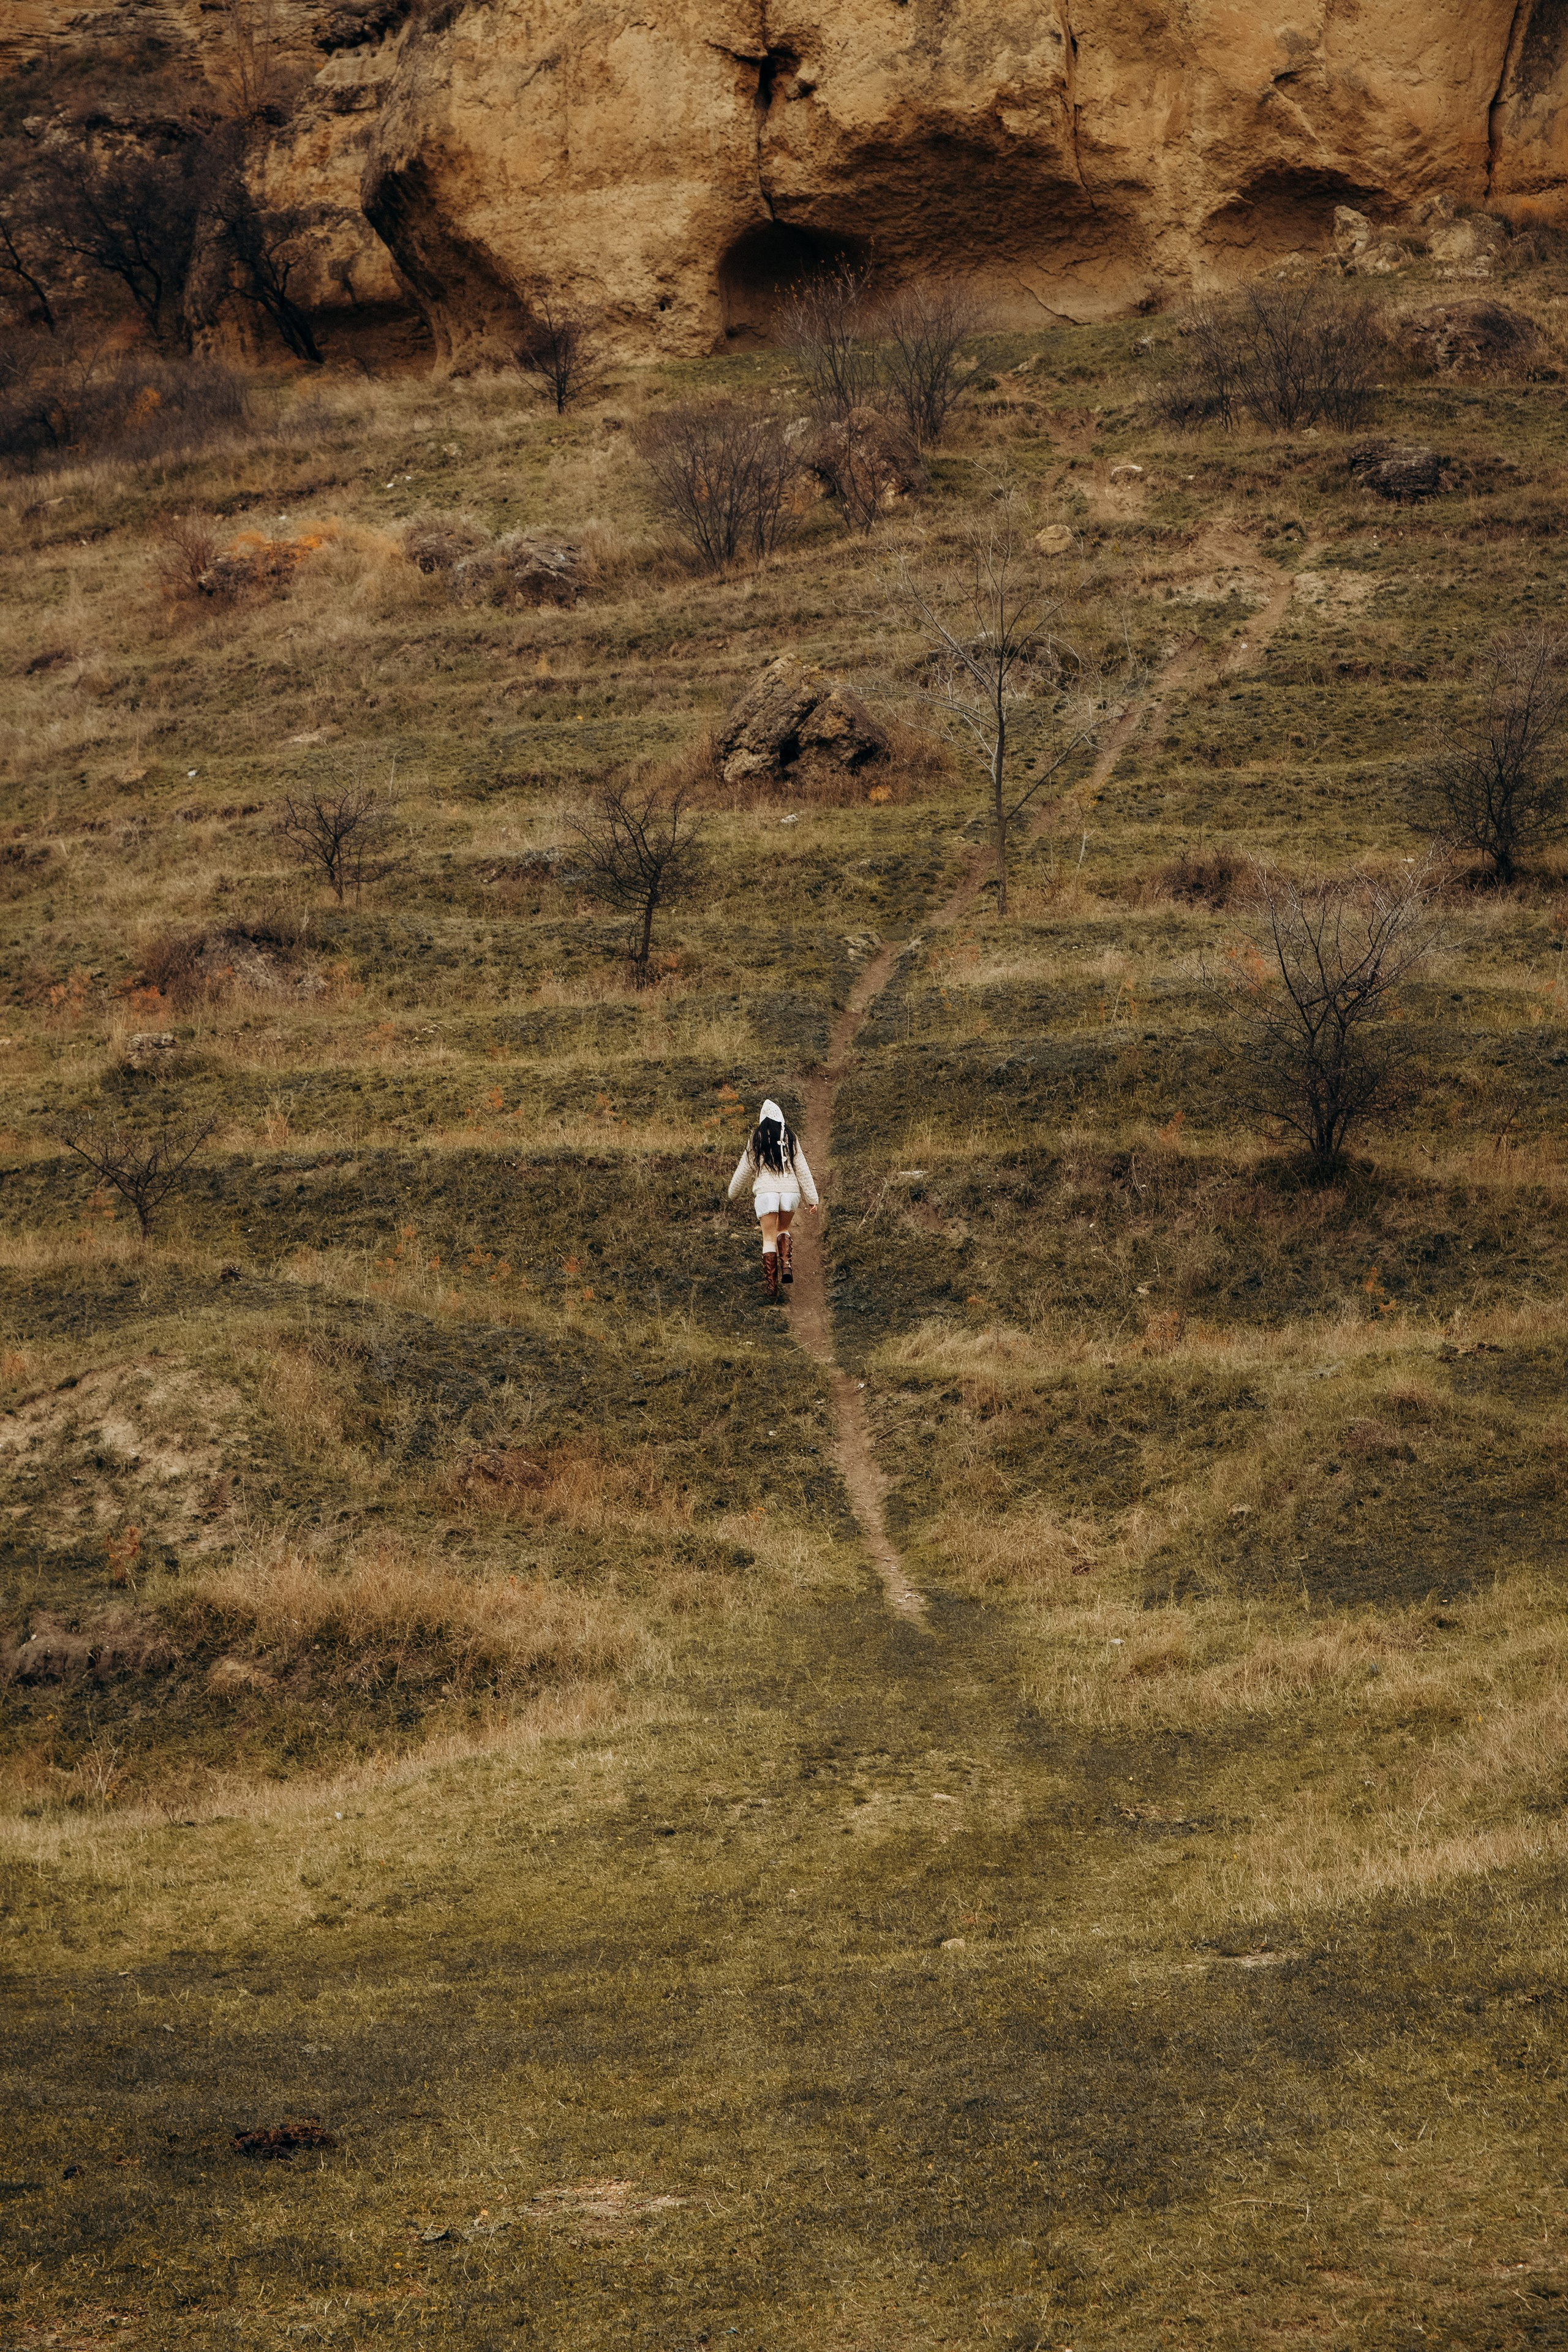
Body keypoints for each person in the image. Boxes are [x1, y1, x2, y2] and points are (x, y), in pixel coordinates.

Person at [726, 1096, 818, 1302]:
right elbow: (802, 1170)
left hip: (766, 1194)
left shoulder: (756, 1139)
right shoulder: (791, 1138)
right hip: (790, 1192)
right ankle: (786, 1266)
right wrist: (813, 1198)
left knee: (768, 1238)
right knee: (783, 1229)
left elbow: (744, 1170)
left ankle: (772, 1287)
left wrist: (733, 1193)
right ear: (781, 1119)